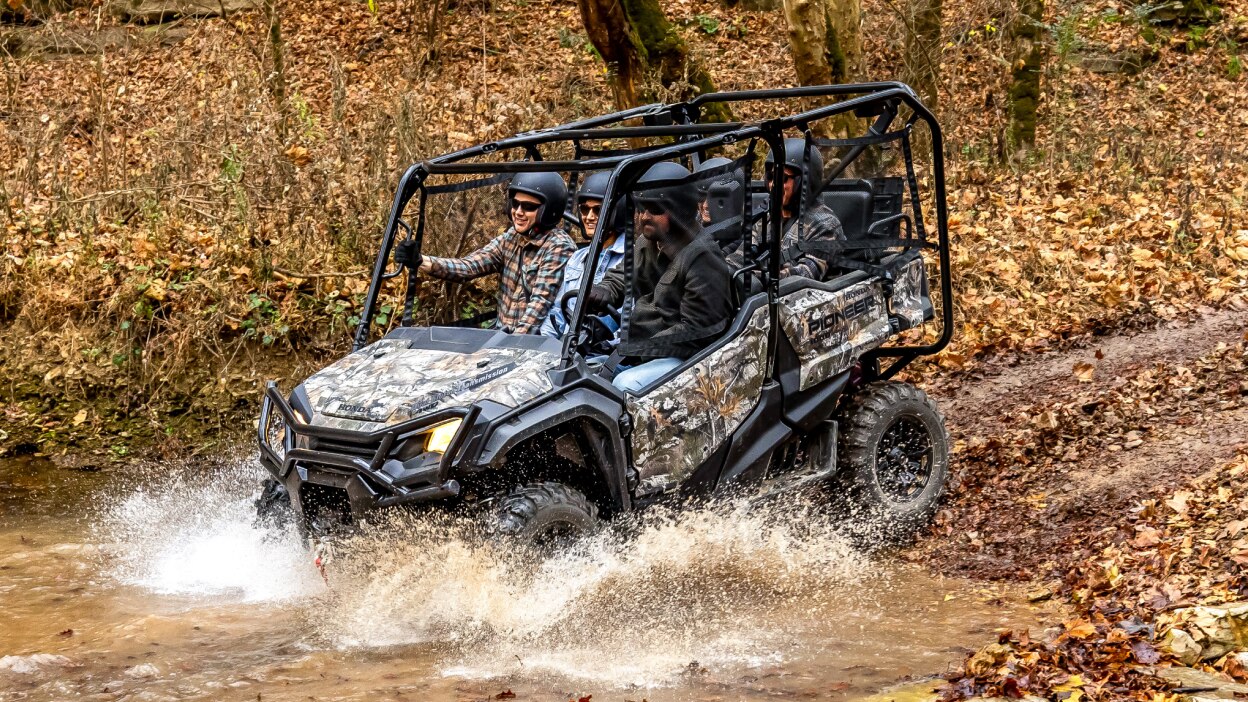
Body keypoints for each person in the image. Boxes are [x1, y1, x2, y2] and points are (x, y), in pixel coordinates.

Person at [587, 162, 734, 394]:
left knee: (624, 387)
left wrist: (640, 347)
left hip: (688, 359)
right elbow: (623, 275)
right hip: (643, 348)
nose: (644, 216)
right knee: (583, 371)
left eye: (655, 209)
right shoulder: (650, 241)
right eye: (641, 207)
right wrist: (604, 290)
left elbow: (697, 331)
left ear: (679, 209)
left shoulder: (703, 258)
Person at [418, 172, 576, 335]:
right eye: (515, 204)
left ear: (549, 210)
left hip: (533, 344)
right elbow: (470, 266)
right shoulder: (513, 237)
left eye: (528, 207)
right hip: (502, 337)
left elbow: (538, 308)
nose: (518, 212)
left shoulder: (559, 246)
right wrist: (421, 261)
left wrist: (507, 346)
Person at [738, 138, 845, 280]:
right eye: (770, 177)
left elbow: (806, 274)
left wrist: (754, 278)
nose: (773, 185)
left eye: (782, 178)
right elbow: (741, 254)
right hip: (769, 297)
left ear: (804, 182)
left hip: (807, 299)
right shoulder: (768, 217)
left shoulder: (825, 225)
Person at [540, 171, 626, 338]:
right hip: (565, 350)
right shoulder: (578, 258)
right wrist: (545, 346)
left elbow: (630, 320)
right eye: (585, 209)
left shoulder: (632, 260)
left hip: (604, 354)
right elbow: (557, 311)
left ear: (618, 211)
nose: (589, 217)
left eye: (598, 210)